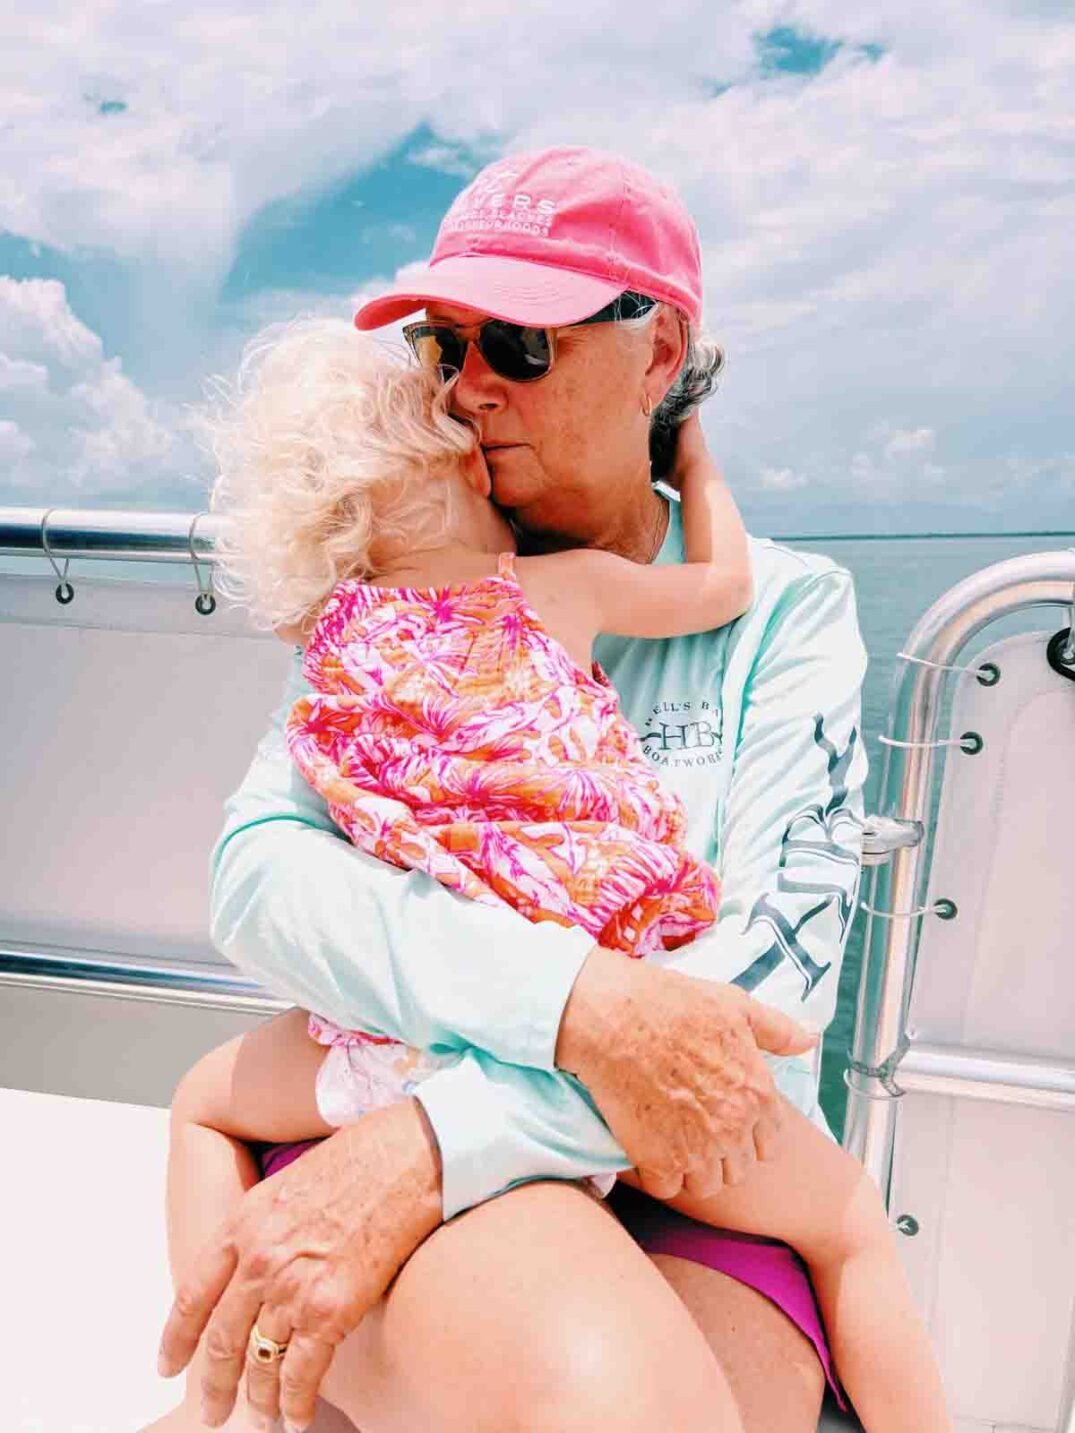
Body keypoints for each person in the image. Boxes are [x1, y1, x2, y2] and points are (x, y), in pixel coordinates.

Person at [154, 146, 911, 1432]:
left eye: (519, 343)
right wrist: (575, 1004)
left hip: (685, 1161)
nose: (470, 392)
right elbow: (262, 876)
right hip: (401, 1087)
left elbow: (765, 990)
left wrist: (439, 1137)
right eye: (443, 349)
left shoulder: (788, 615)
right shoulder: (404, 589)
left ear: (660, 353)